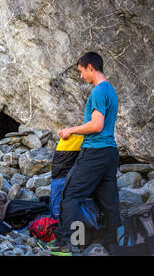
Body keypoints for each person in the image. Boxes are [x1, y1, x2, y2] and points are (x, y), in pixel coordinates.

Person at [50, 52, 120, 256]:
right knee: (110, 201)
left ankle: (63, 244)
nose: (81, 76)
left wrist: (71, 130)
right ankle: (113, 244)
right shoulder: (111, 90)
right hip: (110, 152)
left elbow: (96, 125)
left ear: (90, 67)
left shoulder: (99, 91)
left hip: (95, 151)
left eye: (81, 71)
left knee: (70, 194)